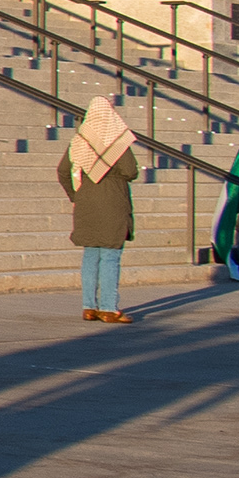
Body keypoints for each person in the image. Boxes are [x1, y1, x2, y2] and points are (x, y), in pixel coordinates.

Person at [58, 96, 137, 323]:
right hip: (112, 203)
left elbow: (63, 171)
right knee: (110, 255)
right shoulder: (118, 141)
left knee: (91, 255)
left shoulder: (79, 141)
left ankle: (88, 306)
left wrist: (76, 196)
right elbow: (131, 171)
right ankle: (109, 308)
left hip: (86, 204)